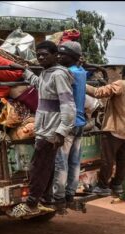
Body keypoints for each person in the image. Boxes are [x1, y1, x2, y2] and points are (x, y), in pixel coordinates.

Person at [10, 41, 76, 217]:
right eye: (38, 54)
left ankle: (31, 203)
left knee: (38, 167)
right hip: (45, 129)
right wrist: (24, 70)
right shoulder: (47, 73)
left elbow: (69, 106)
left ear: (55, 55)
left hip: (52, 131)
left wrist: (61, 131)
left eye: (44, 54)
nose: (40, 57)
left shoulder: (59, 75)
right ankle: (45, 199)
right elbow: (38, 84)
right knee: (46, 166)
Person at [52, 41, 87, 209]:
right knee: (75, 161)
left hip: (68, 124)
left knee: (61, 161)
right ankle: (70, 193)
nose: (58, 56)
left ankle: (58, 196)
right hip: (80, 122)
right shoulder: (81, 72)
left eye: (62, 54)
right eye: (57, 53)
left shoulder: (66, 74)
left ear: (72, 57)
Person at [86, 79, 125, 196]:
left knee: (107, 159)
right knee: (122, 160)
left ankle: (102, 186)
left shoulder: (121, 84)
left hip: (115, 128)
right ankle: (117, 184)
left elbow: (99, 93)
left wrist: (82, 83)